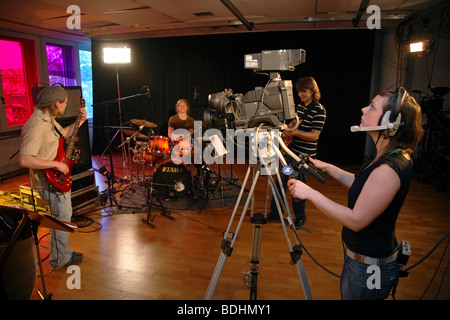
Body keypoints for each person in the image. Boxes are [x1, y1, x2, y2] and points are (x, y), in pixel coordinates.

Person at [287, 88, 423, 300]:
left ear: (390, 121)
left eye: (372, 107)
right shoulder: (387, 156)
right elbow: (364, 186)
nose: (364, 108)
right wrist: (330, 168)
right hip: (363, 262)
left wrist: (310, 193)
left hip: (369, 268)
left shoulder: (389, 168)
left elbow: (356, 219)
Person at [18, 86, 87, 270]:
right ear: (56, 104)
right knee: (61, 219)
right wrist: (56, 165)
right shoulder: (36, 126)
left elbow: (63, 134)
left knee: (63, 217)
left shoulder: (48, 119)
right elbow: (24, 159)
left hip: (55, 179)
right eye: (64, 104)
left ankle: (62, 254)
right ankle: (59, 260)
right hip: (48, 182)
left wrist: (80, 122)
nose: (65, 107)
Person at [268, 76, 326, 228]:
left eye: (304, 91)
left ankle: (300, 218)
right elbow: (294, 124)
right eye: (299, 91)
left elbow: (314, 136)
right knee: (280, 181)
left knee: (296, 186)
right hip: (290, 153)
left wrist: (294, 132)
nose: (301, 94)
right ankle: (276, 213)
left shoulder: (319, 110)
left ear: (313, 91)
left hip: (302, 158)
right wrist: (287, 129)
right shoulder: (300, 107)